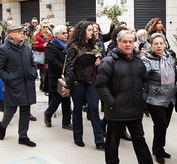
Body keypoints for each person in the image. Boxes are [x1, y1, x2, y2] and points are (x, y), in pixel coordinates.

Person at [95, 30, 153, 164]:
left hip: (135, 110)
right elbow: (101, 85)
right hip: (116, 112)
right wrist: (112, 102)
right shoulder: (109, 61)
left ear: (134, 43)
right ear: (118, 43)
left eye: (130, 42)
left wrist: (143, 98)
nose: (128, 44)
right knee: (112, 144)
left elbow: (146, 80)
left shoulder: (138, 61)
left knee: (140, 140)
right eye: (124, 42)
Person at [64, 21, 105, 149]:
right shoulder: (74, 47)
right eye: (89, 30)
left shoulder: (94, 46)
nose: (92, 32)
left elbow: (97, 64)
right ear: (82, 31)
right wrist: (69, 85)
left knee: (94, 109)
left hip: (92, 81)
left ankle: (99, 140)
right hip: (78, 82)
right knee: (77, 109)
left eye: (92, 30)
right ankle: (78, 137)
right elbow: (69, 68)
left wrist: (98, 61)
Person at [0, 25, 37, 147]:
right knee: (11, 109)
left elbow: (33, 63)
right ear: (11, 34)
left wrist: (33, 74)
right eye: (19, 32)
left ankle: (23, 136)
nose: (23, 33)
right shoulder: (4, 49)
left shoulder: (27, 47)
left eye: (23, 31)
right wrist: (9, 78)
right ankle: (3, 125)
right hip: (14, 84)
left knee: (25, 109)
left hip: (28, 83)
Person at [141, 33, 177, 164]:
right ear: (151, 45)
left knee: (164, 125)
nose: (159, 46)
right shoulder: (146, 59)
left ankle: (160, 148)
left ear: (165, 44)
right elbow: (143, 73)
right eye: (156, 43)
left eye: (161, 43)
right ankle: (157, 151)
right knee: (160, 124)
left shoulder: (170, 57)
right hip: (154, 98)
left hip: (170, 97)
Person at [44, 25, 72, 130]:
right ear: (56, 35)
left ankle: (66, 122)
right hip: (56, 76)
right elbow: (52, 61)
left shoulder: (69, 45)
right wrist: (65, 68)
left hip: (67, 76)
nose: (66, 35)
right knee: (57, 98)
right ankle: (48, 113)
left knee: (67, 99)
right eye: (64, 33)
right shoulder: (51, 46)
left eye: (66, 33)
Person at [32, 21, 53, 92]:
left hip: (49, 55)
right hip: (41, 55)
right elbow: (34, 46)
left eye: (47, 27)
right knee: (43, 71)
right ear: (41, 27)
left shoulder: (50, 35)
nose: (45, 28)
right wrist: (42, 45)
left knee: (47, 71)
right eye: (44, 27)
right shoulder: (37, 35)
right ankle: (43, 84)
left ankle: (43, 84)